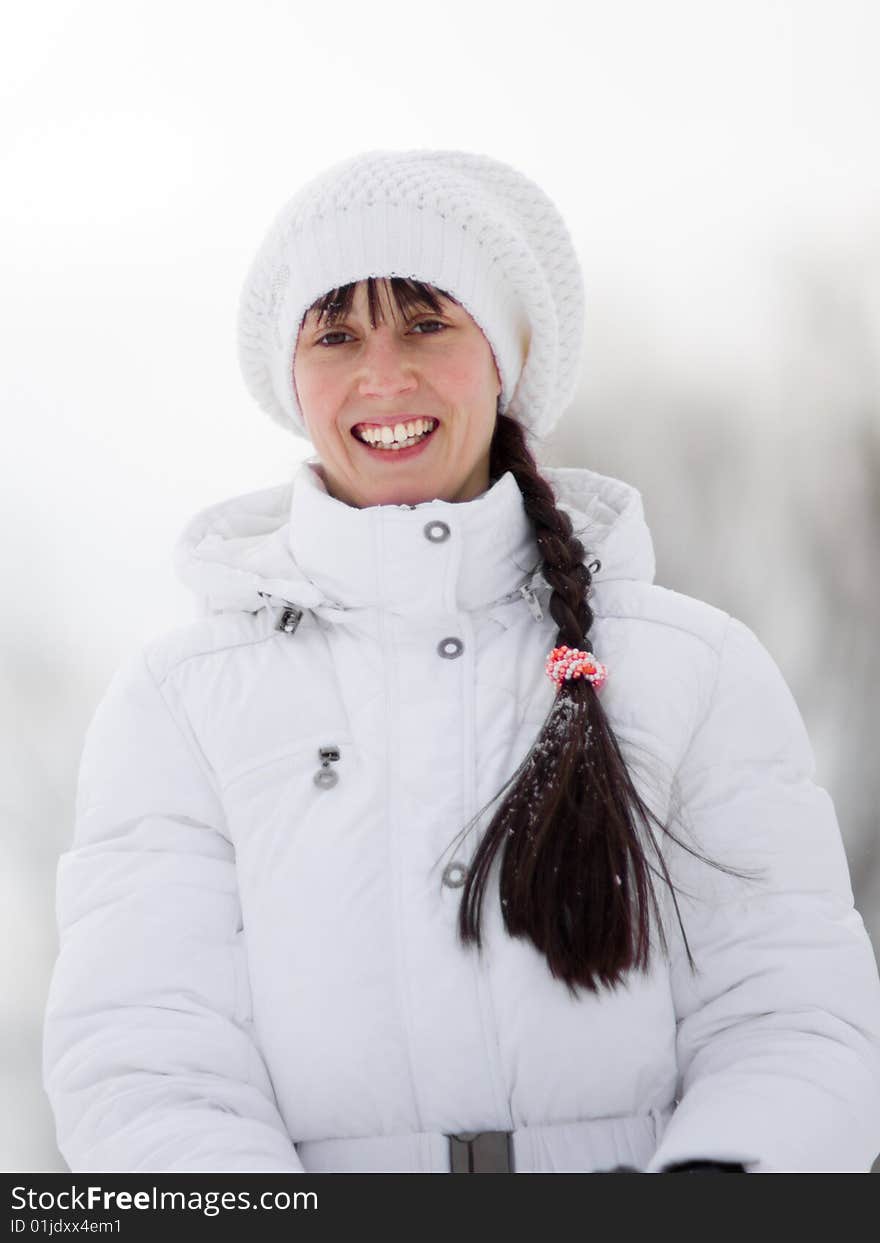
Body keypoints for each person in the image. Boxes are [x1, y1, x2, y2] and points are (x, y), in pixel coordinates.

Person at [43, 149, 880, 1174]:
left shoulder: (694, 670)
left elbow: (789, 1008)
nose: (380, 373)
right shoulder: (181, 704)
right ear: (286, 375)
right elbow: (145, 1056)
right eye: (335, 332)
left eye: (427, 322)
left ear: (506, 357)